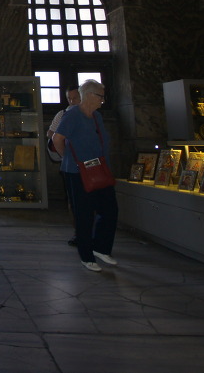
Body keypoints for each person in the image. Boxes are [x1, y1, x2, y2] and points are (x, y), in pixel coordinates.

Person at [53, 79, 118, 272]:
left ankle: (101, 248)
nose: (102, 101)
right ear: (89, 95)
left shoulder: (96, 116)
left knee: (110, 210)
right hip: (77, 172)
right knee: (84, 214)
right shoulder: (73, 115)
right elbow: (57, 139)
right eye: (100, 96)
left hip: (99, 171)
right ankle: (86, 255)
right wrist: (68, 158)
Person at [47, 86, 81, 245]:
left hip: (88, 164)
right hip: (70, 164)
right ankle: (78, 231)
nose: (72, 101)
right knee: (73, 199)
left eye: (75, 98)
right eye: (69, 98)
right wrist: (65, 155)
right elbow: (51, 133)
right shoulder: (63, 114)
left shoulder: (90, 114)